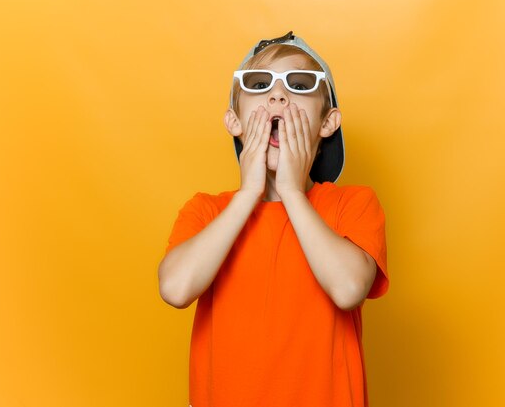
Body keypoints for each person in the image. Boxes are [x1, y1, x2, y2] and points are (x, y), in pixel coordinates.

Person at [158, 31, 389, 407]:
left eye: (299, 85)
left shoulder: (352, 204)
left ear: (327, 123)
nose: (278, 95)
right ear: (234, 121)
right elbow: (176, 289)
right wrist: (248, 194)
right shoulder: (207, 211)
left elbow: (348, 289)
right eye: (259, 84)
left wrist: (294, 193)